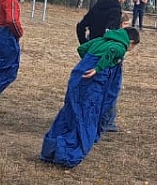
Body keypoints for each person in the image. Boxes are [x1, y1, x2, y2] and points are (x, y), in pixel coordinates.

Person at [40, 27, 139, 168]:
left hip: (77, 77)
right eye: (133, 46)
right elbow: (113, 51)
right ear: (130, 41)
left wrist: (86, 63)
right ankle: (68, 155)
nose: (131, 49)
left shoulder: (100, 40)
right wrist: (97, 68)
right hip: (92, 83)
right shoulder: (120, 46)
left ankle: (50, 150)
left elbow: (81, 49)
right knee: (86, 117)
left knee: (69, 113)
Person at [75, 0, 128, 132]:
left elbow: (81, 26)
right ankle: (106, 122)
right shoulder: (115, 9)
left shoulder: (98, 5)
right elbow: (110, 33)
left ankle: (88, 117)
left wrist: (85, 44)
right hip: (107, 53)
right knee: (110, 87)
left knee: (91, 85)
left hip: (92, 50)